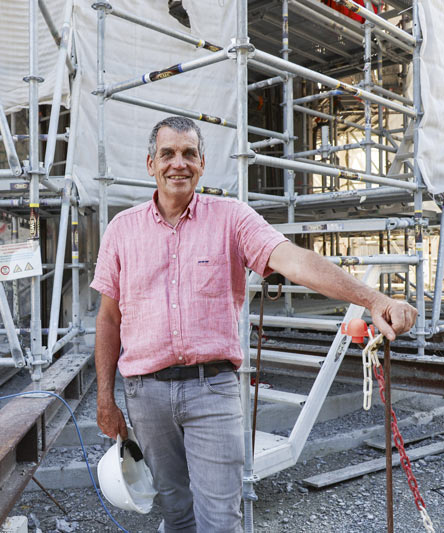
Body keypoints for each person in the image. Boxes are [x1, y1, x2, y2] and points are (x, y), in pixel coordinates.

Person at [91, 116, 417, 532]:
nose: (179, 163)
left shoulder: (231, 219)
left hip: (212, 390)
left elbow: (295, 261)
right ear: (150, 163)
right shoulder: (122, 230)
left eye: (189, 154)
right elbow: (108, 316)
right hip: (145, 393)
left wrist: (373, 299)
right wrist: (105, 397)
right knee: (175, 509)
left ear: (202, 163)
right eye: (168, 153)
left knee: (220, 520)